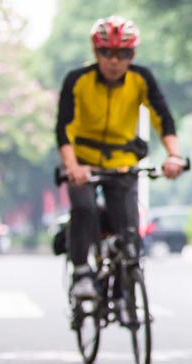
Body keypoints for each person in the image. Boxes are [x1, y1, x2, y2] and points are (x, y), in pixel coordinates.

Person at [56, 15, 185, 300]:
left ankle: (124, 286)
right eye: (106, 53)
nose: (114, 62)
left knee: (129, 230)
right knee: (85, 209)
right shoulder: (77, 81)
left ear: (132, 55)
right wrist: (73, 167)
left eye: (122, 54)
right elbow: (63, 128)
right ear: (95, 52)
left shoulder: (141, 79)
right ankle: (81, 273)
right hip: (83, 163)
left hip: (123, 163)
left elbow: (162, 117)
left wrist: (174, 155)